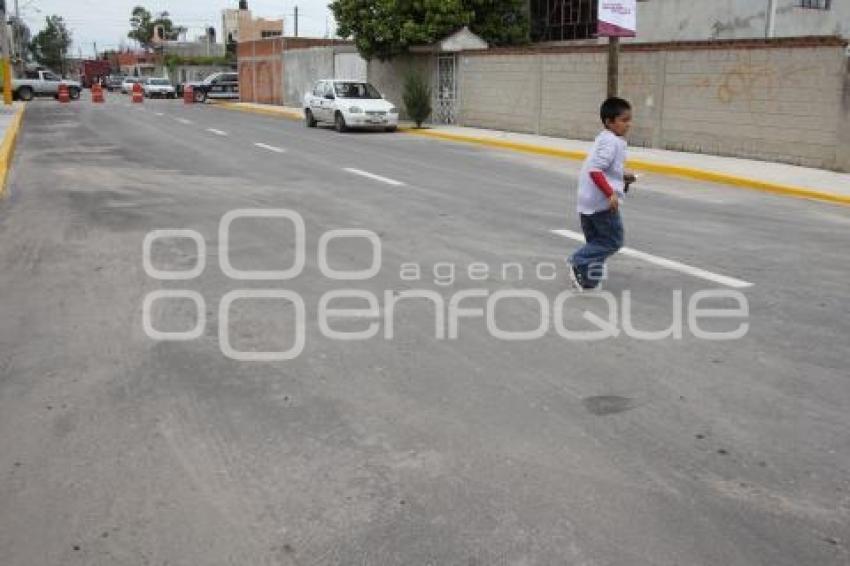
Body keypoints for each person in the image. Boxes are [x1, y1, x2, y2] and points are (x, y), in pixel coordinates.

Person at [568, 97, 637, 291]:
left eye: (630, 119)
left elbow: (606, 168)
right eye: (624, 120)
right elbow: (596, 170)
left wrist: (623, 176)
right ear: (609, 122)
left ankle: (589, 280)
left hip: (587, 201)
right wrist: (610, 194)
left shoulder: (604, 138)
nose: (628, 124)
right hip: (601, 202)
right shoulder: (612, 142)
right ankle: (578, 260)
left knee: (596, 243)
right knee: (612, 240)